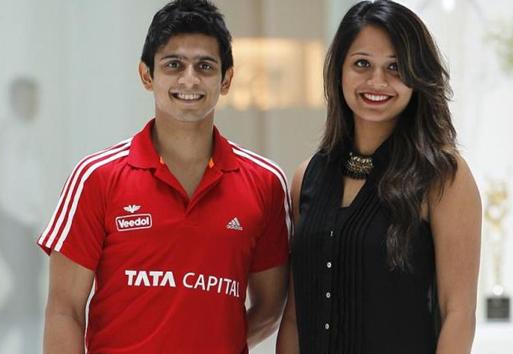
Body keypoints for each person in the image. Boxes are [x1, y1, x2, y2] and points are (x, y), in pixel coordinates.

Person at [37, 1, 291, 353]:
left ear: (227, 79)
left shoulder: (265, 183)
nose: (189, 79)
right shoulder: (97, 177)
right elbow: (64, 310)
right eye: (174, 65)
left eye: (205, 66)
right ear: (147, 75)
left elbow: (270, 305)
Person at [276, 1, 481, 353]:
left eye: (395, 68)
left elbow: (458, 313)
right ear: (339, 70)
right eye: (362, 64)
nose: (377, 81)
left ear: (418, 77)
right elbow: (296, 315)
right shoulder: (306, 177)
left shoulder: (443, 177)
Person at [0, 77, 44, 354]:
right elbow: (3, 185)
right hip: (10, 222)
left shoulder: (26, 133)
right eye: (27, 98)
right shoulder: (10, 136)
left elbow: (29, 186)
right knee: (27, 286)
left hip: (21, 223)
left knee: (27, 285)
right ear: (14, 100)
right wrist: (22, 223)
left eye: (35, 99)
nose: (34, 104)